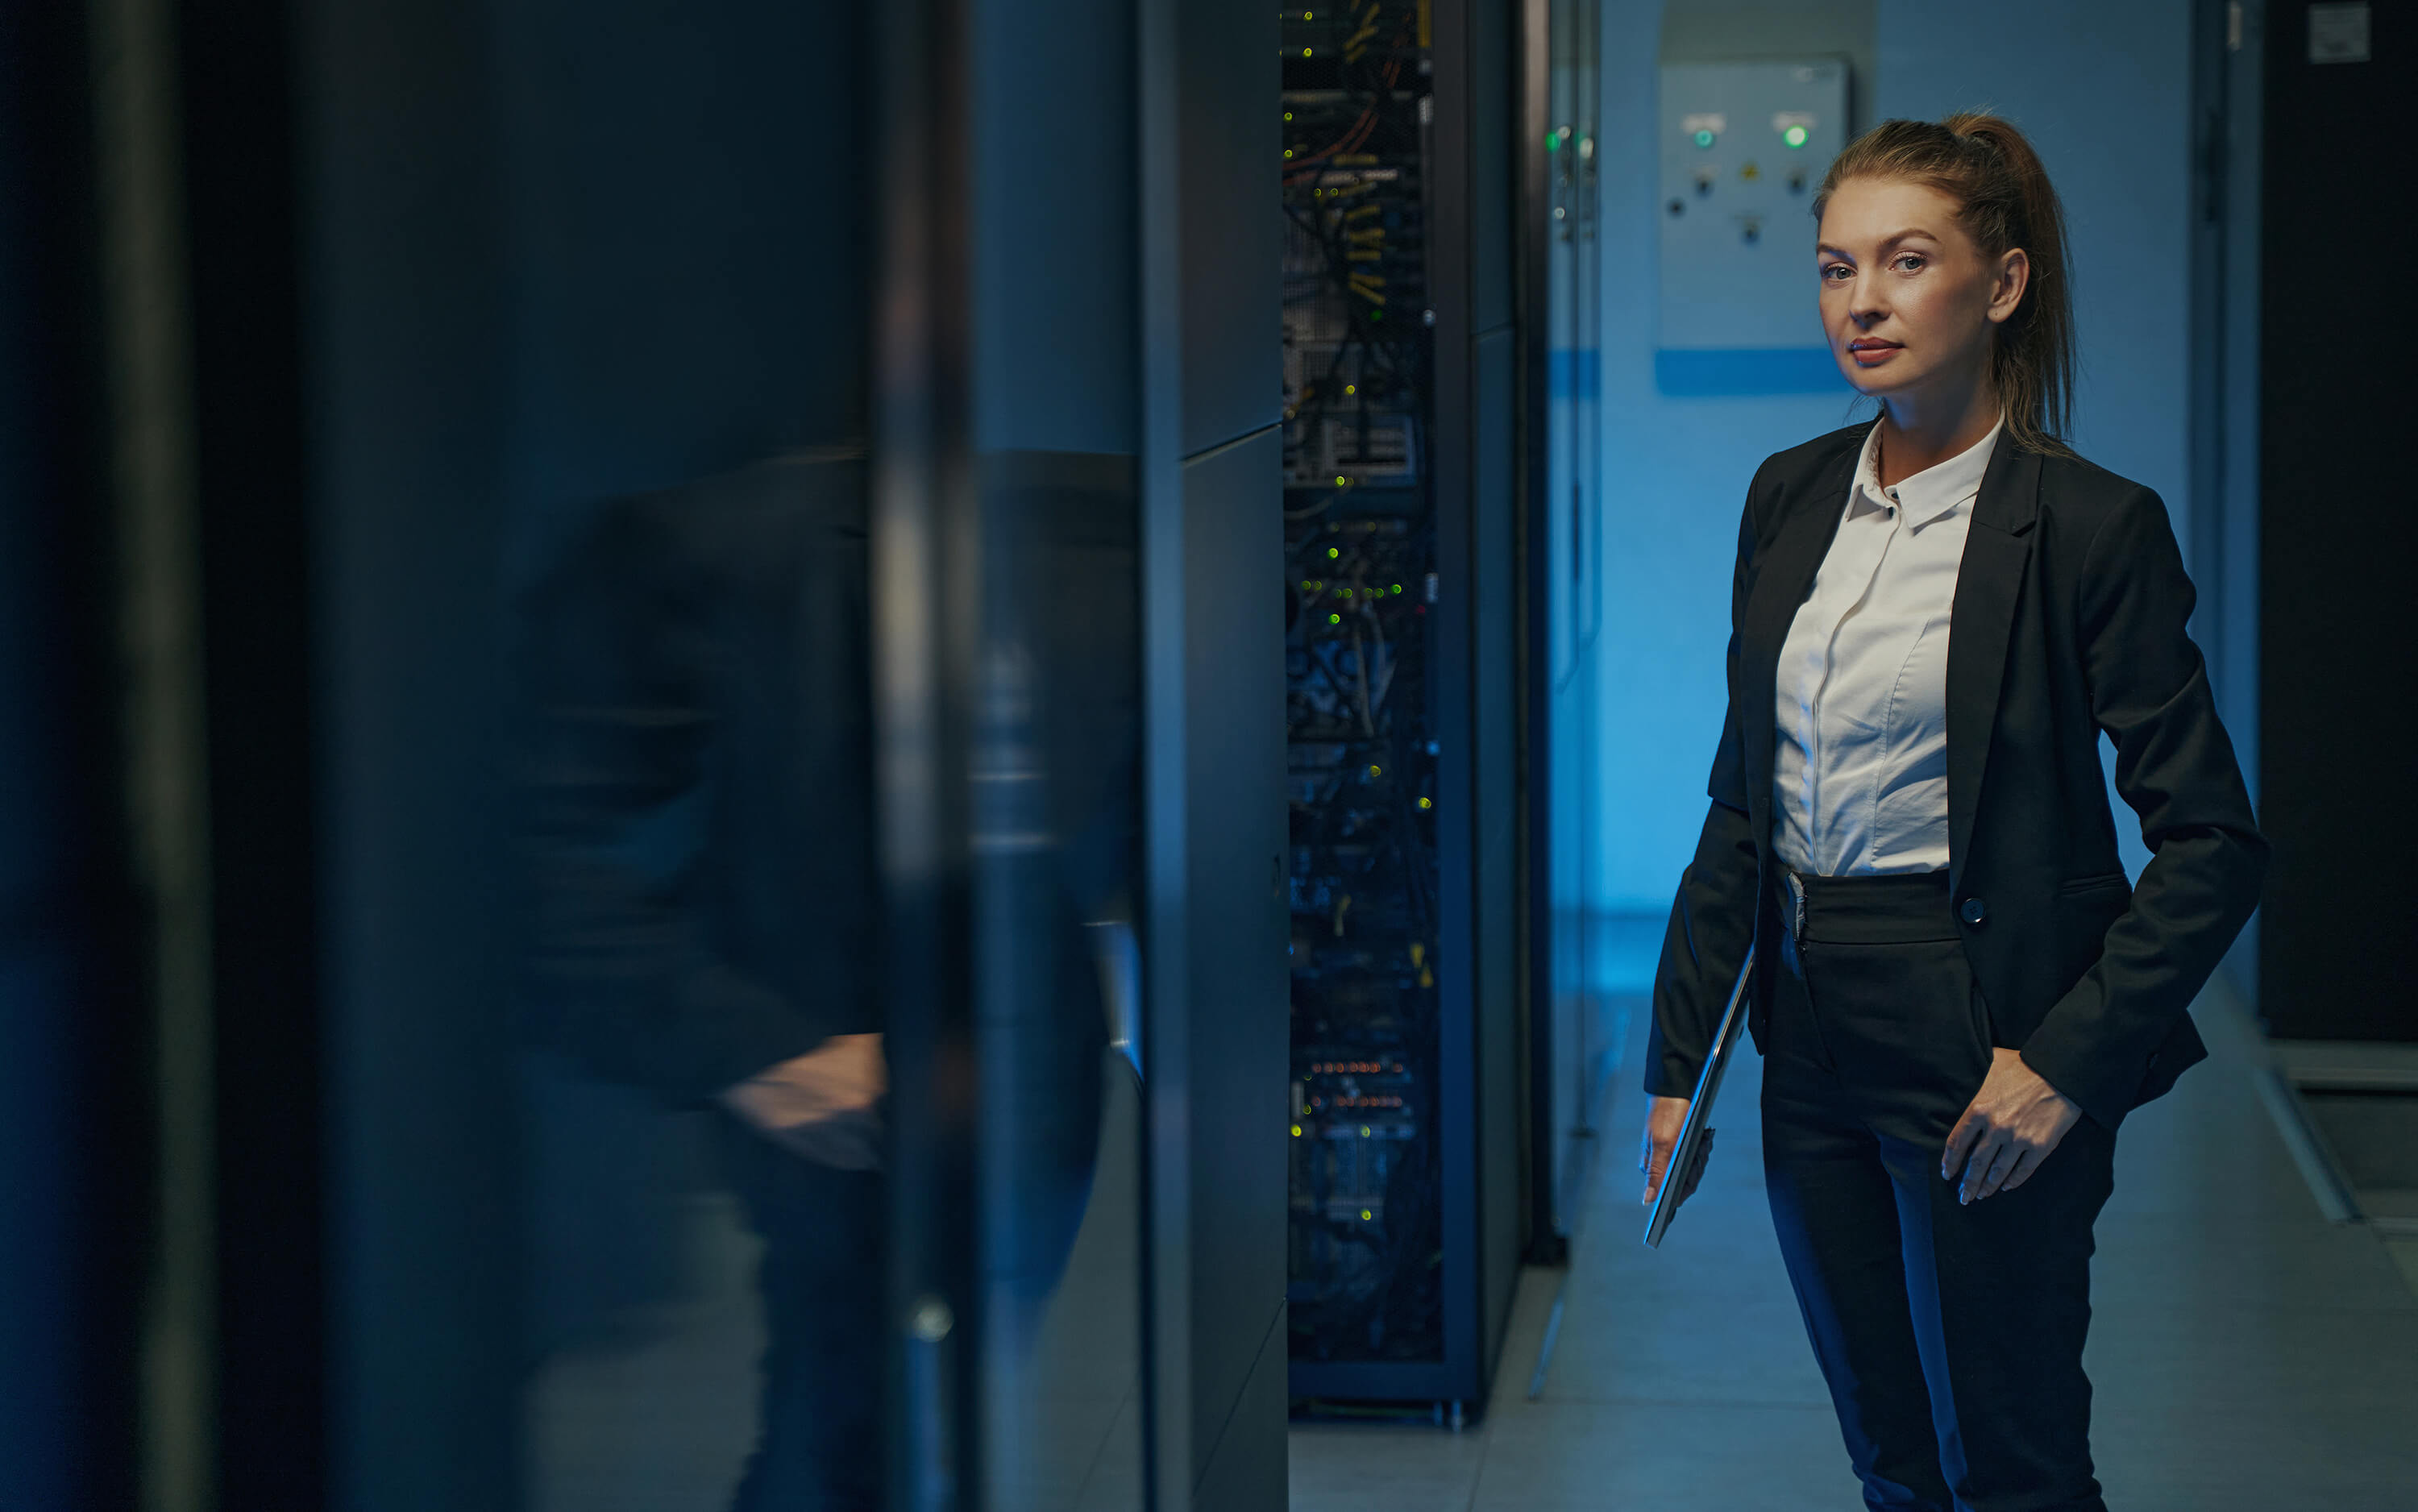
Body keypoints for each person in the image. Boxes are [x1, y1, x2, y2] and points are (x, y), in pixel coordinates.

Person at [1635, 114, 2266, 1512]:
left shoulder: (2091, 527)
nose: (1861, 301)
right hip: (1809, 1029)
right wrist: (1684, 1062)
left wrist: (2064, 1066)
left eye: (1906, 261)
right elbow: (1747, 798)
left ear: (2002, 285)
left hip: (1980, 1030)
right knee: (1892, 1457)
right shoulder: (1788, 496)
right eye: (1834, 267)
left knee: (2013, 1466)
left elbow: (2214, 842)